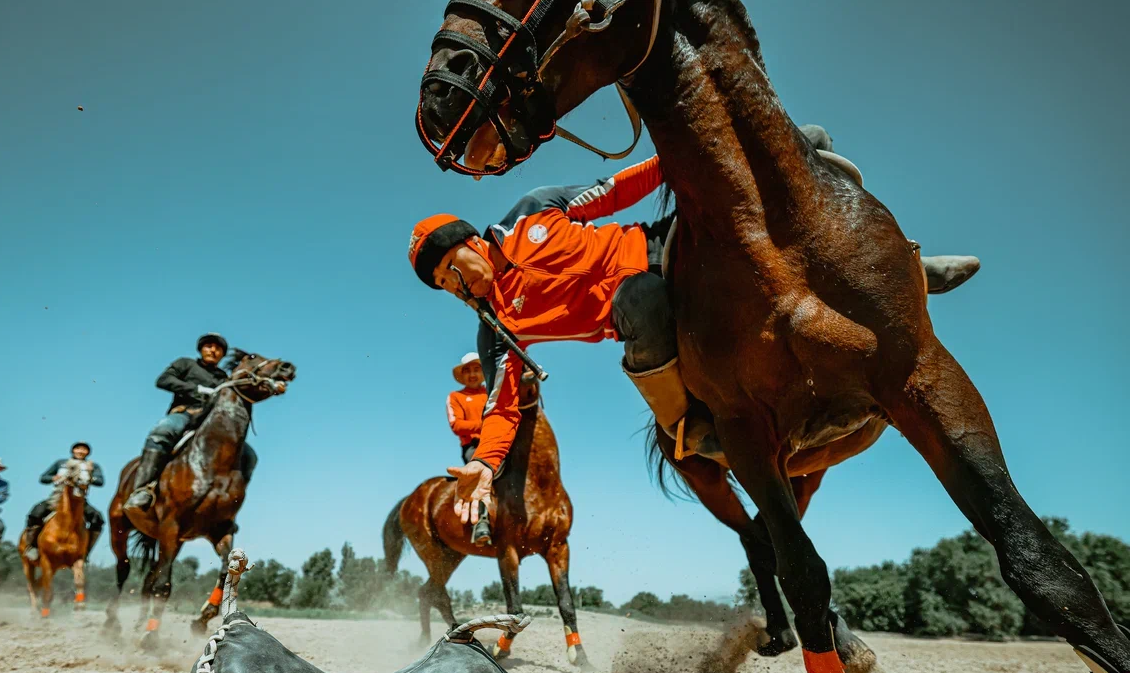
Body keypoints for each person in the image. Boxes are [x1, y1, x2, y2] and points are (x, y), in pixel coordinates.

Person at [408, 144, 981, 523]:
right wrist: (485, 465)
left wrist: (684, 155)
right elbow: (503, 406)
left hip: (664, 244)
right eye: (443, 287)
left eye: (450, 271)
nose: (454, 287)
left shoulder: (531, 213)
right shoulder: (497, 328)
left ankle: (902, 270)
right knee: (637, 294)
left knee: (801, 144)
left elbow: (613, 190)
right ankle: (689, 426)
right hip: (645, 315)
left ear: (468, 241)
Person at [123, 333, 258, 512]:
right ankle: (142, 489)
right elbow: (163, 380)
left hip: (210, 423)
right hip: (185, 414)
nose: (213, 350)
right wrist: (196, 389)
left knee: (249, 455)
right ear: (201, 349)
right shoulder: (185, 363)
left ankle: (230, 505)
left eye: (218, 348)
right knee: (162, 432)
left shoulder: (223, 378)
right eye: (209, 346)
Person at [21, 443, 105, 560]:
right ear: (73, 450)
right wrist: (53, 478)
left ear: (88, 452)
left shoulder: (92, 466)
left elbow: (100, 481)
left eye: (84, 449)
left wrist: (90, 477)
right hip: (57, 497)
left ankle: (85, 551)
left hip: (79, 499)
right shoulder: (61, 463)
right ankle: (32, 546)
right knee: (36, 511)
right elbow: (43, 478)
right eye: (78, 448)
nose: (80, 451)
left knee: (98, 518)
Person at [446, 352, 493, 545]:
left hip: (499, 442)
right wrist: (485, 425)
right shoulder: (456, 397)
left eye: (476, 369)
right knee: (478, 472)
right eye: (467, 371)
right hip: (474, 447)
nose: (472, 374)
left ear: (483, 373)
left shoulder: (492, 393)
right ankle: (482, 522)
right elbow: (456, 425)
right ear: (462, 376)